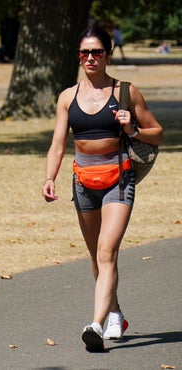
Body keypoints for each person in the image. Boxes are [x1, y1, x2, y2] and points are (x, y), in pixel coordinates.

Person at [41, 27, 163, 352]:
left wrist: (132, 128)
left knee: (107, 252)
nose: (90, 58)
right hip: (82, 183)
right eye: (85, 53)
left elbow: (157, 133)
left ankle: (95, 324)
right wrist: (49, 177)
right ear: (79, 57)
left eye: (96, 52)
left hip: (118, 181)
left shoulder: (126, 92)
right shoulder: (68, 97)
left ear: (107, 55)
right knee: (97, 258)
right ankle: (115, 314)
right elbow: (57, 144)